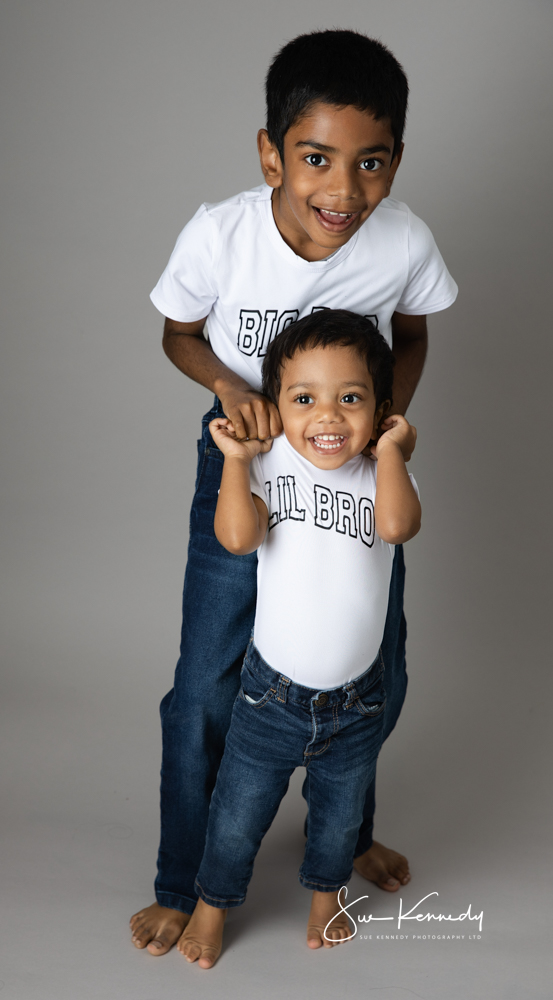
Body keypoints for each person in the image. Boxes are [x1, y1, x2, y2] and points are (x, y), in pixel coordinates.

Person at [130, 28, 457, 956]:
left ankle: (342, 837)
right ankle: (181, 880)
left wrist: (377, 432)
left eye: (370, 163)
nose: (342, 191)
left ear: (395, 160)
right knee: (204, 684)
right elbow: (177, 332)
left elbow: (416, 333)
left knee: (371, 670)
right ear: (272, 153)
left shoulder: (403, 241)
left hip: (355, 486)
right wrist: (230, 389)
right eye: (315, 159)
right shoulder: (221, 232)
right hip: (244, 474)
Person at [178, 310, 421, 968]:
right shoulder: (269, 463)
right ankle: (211, 903)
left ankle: (326, 896)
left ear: (380, 408)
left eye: (350, 399)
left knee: (338, 814)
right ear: (276, 406)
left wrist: (394, 452)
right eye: (303, 398)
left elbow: (398, 528)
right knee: (236, 814)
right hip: (270, 695)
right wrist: (234, 461)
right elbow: (236, 537)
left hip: (357, 699)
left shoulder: (379, 471)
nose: (327, 417)